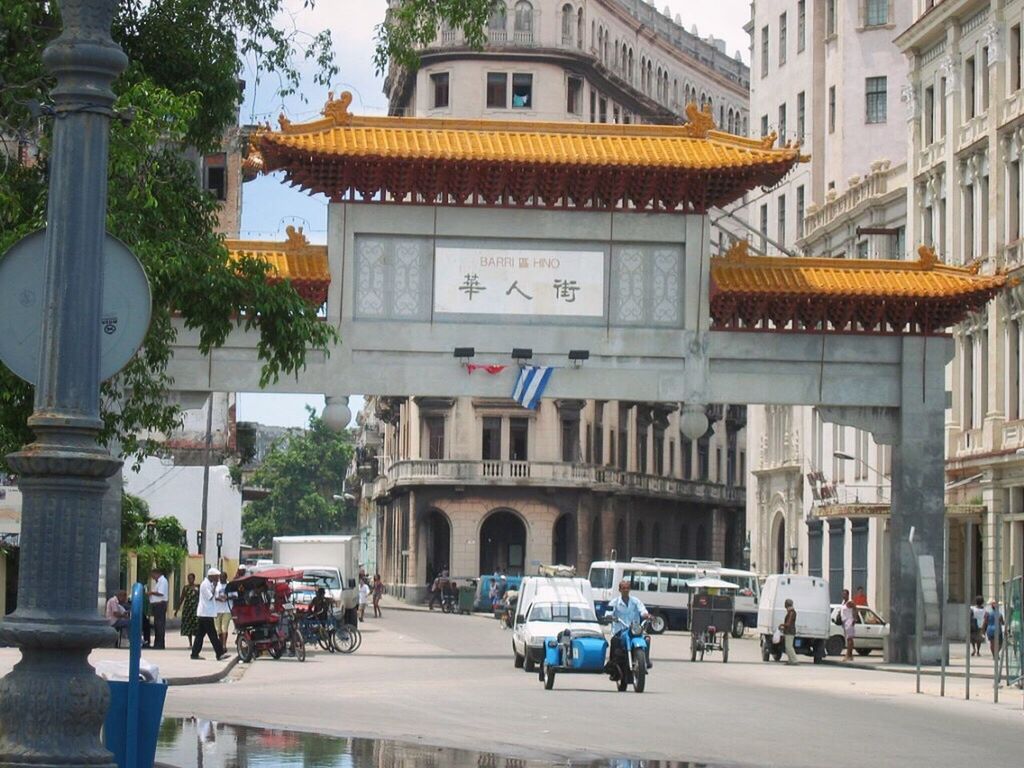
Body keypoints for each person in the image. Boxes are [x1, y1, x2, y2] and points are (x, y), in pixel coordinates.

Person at [605, 578, 653, 669]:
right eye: (623, 588)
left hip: (634, 629)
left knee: (647, 639)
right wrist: (609, 617)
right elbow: (608, 613)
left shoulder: (635, 601)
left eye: (627, 588)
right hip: (620, 630)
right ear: (620, 590)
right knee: (614, 641)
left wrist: (647, 615)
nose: (626, 590)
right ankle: (612, 664)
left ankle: (645, 660)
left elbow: (642, 610)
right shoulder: (614, 602)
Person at [192, 568, 228, 661]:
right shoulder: (205, 585)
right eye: (217, 577)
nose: (218, 578)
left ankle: (194, 653)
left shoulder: (210, 584)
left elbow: (214, 597)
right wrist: (215, 587)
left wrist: (221, 598)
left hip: (207, 613)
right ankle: (219, 654)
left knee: (200, 635)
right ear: (211, 576)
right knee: (213, 635)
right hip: (205, 614)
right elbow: (210, 597)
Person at [175, 573, 200, 646]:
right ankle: (190, 643)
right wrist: (177, 610)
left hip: (196, 608)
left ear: (194, 579)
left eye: (191, 578)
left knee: (196, 625)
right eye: (188, 578)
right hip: (188, 609)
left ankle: (196, 643)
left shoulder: (198, 587)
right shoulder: (185, 588)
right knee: (189, 626)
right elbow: (181, 598)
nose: (189, 580)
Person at [147, 568, 169, 650]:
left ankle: (159, 644)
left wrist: (151, 593)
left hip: (160, 605)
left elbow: (161, 593)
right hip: (157, 605)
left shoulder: (162, 581)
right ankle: (157, 643)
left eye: (153, 575)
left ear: (157, 574)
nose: (153, 577)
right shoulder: (159, 582)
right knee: (157, 625)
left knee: (159, 625)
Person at [215, 571, 232, 651]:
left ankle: (224, 645)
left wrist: (227, 597)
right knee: (218, 630)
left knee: (224, 628)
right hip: (217, 610)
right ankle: (221, 644)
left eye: (223, 577)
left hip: (227, 610)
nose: (221, 579)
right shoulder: (216, 585)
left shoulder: (230, 585)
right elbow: (212, 596)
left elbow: (234, 595)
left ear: (226, 577)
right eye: (220, 577)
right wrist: (219, 598)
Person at [781, 598, 798, 665]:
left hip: (790, 632)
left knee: (789, 647)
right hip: (789, 631)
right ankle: (790, 660)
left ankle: (794, 660)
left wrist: (782, 625)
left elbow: (788, 623)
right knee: (788, 647)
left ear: (787, 605)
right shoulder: (791, 612)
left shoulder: (791, 612)